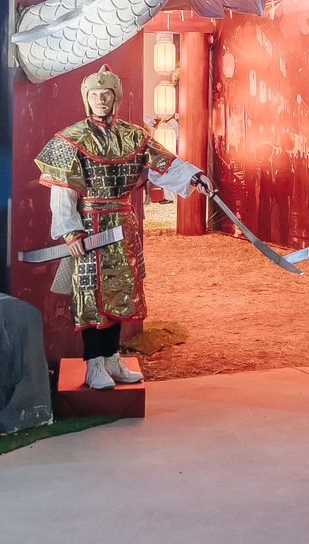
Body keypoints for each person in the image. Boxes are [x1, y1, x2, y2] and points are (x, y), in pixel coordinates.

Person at [36, 64, 213, 390]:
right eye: (95, 94)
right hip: (89, 228)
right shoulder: (71, 139)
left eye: (106, 93)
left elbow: (164, 164)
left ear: (115, 97)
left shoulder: (134, 136)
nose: (101, 99)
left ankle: (112, 358)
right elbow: (63, 190)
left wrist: (194, 176)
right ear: (86, 98)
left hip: (122, 225)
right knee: (90, 293)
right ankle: (94, 364)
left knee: (121, 292)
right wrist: (70, 230)